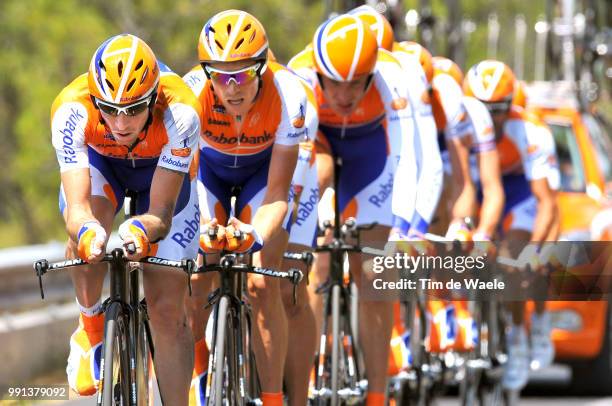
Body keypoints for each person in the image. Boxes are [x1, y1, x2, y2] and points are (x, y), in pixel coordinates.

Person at [52, 34, 201, 405]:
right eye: (109, 108)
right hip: (104, 169)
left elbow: (161, 213)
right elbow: (78, 208)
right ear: (94, 98)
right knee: (91, 232)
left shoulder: (180, 110)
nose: (120, 123)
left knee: (167, 311)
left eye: (133, 109)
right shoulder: (71, 109)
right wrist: (88, 232)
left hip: (159, 176)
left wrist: (141, 228)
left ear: (152, 99)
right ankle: (90, 327)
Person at [289, 14, 425, 406]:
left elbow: (409, 157)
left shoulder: (391, 78)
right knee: (314, 261)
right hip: (320, 144)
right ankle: (308, 378)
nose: (344, 95)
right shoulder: (299, 76)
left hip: (372, 157)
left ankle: (378, 394)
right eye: (333, 82)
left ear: (370, 74)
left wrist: (405, 221)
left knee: (373, 274)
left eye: (354, 84)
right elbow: (293, 159)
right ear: (318, 72)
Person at [182, 9, 308, 406]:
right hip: (209, 176)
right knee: (199, 273)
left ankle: (272, 398)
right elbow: (188, 178)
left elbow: (277, 194)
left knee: (262, 284)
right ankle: (200, 374)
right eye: (219, 74)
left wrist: (254, 234)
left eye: (241, 74)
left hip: (262, 176)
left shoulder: (289, 94)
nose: (230, 86)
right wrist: (205, 224)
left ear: (263, 66)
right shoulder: (191, 94)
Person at [464, 60, 561, 390]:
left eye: (499, 109)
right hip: (479, 188)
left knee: (512, 259)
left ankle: (522, 336)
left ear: (512, 104)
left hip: (521, 189)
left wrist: (534, 251)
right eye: (482, 109)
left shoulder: (532, 131)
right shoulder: (459, 126)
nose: (491, 118)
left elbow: (548, 203)